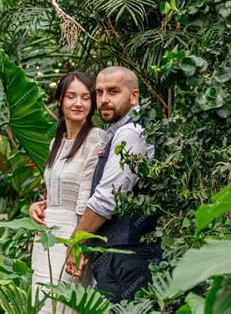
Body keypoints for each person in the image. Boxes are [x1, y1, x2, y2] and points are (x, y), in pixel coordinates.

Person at [64, 66, 161, 303]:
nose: (104, 100)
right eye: (99, 92)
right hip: (116, 255)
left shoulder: (131, 133)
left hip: (129, 257)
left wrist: (75, 243)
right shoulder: (116, 132)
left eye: (113, 91)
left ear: (134, 96)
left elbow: (107, 198)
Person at [29, 72, 108, 313]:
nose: (78, 103)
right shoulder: (57, 142)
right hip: (46, 237)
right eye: (71, 96)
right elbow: (59, 190)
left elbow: (87, 200)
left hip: (71, 236)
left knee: (64, 306)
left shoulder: (97, 140)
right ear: (60, 101)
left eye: (85, 97)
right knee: (40, 303)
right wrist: (39, 205)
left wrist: (77, 245)